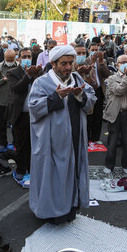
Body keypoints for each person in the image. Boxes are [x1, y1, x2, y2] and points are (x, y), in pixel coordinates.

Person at [28, 45, 96, 224]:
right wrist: (55, 97)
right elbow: (34, 108)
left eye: (70, 63)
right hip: (51, 142)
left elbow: (91, 101)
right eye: (63, 64)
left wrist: (80, 95)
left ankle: (70, 208)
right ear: (53, 63)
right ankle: (51, 213)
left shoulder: (77, 78)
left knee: (73, 172)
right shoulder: (42, 83)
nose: (68, 67)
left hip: (74, 137)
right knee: (52, 176)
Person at [7, 48, 42, 181]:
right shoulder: (12, 72)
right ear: (19, 58)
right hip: (20, 114)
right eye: (24, 56)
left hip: (36, 115)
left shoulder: (38, 72)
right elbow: (16, 89)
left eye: (29, 56)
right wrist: (27, 76)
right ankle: (21, 169)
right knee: (21, 144)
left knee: (35, 144)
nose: (26, 58)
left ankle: (33, 167)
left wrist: (34, 75)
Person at [103, 55, 127, 175]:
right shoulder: (111, 78)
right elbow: (118, 91)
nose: (125, 64)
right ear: (117, 64)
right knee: (112, 141)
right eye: (122, 62)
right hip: (114, 112)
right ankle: (109, 165)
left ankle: (126, 165)